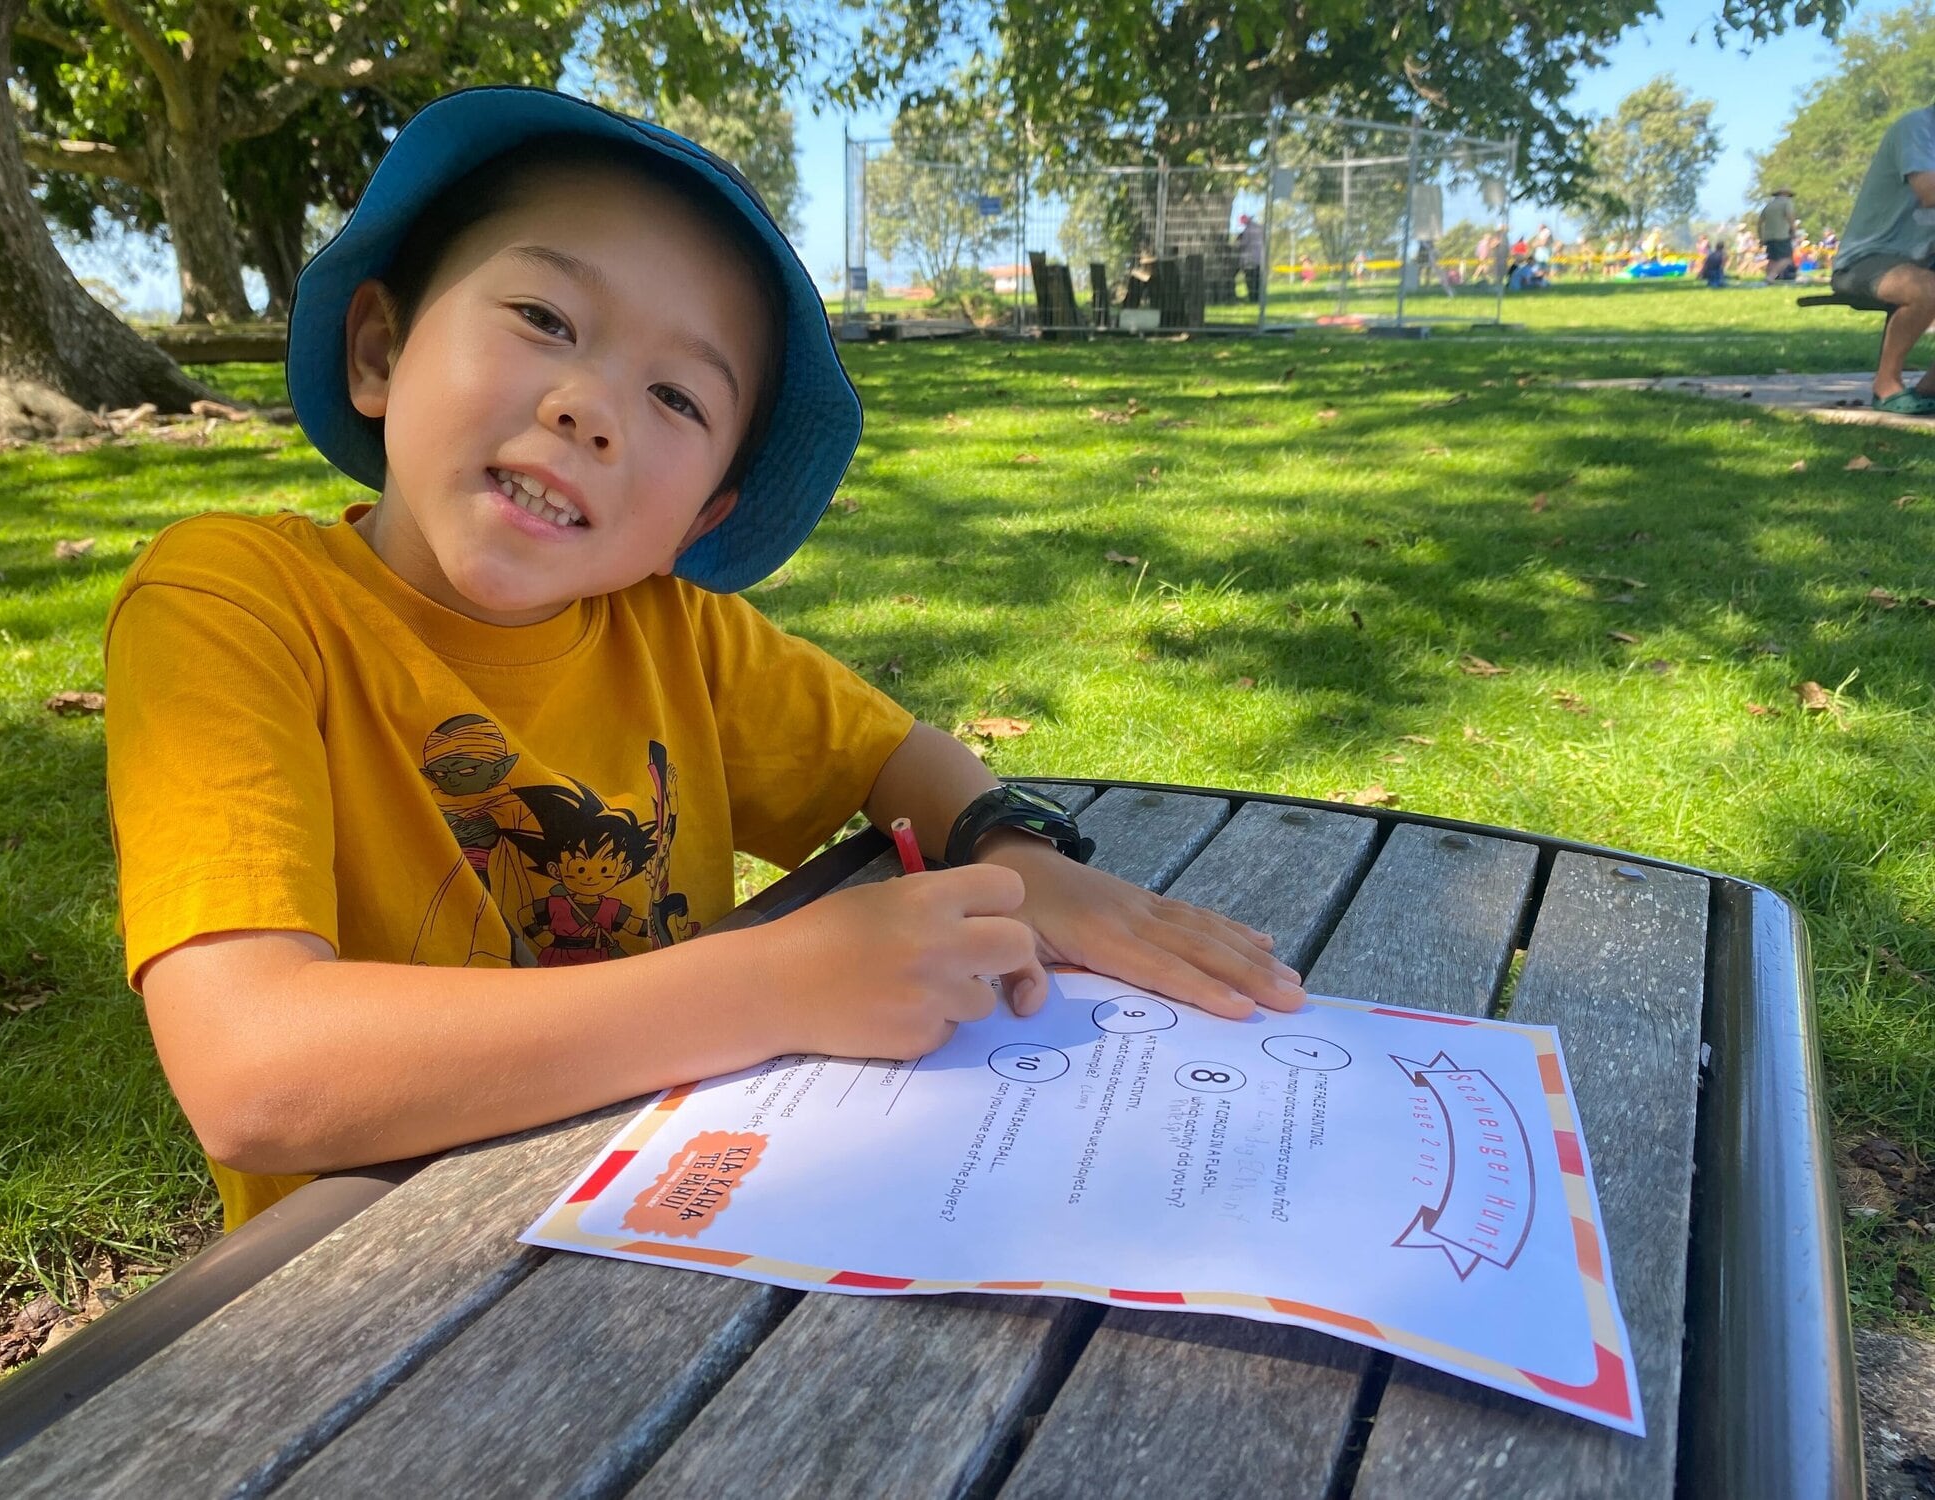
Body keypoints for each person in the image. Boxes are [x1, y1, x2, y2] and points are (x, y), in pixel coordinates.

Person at [103, 87, 1307, 1231]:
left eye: (676, 397)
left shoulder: (676, 630)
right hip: (365, 1297)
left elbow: (894, 758)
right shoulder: (234, 602)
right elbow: (254, 1074)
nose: (591, 406)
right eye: (543, 319)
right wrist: (774, 984)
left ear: (704, 519)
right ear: (379, 350)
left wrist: (1008, 850)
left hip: (684, 1217)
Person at [1832, 105, 1935, 414]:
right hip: (1866, 259)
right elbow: (1928, 191)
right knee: (1927, 288)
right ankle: (1886, 385)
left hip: (1920, 259)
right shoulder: (1917, 128)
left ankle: (1930, 390)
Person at [1759, 189, 1798, 282]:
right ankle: (1771, 276)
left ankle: (1768, 277)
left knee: (1772, 259)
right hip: (1782, 235)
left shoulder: (1769, 205)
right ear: (1785, 194)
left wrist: (1761, 237)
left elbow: (1759, 222)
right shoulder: (1786, 203)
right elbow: (1790, 216)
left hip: (1768, 237)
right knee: (1787, 258)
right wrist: (1793, 230)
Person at [1234, 213, 1265, 302]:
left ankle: (1252, 298)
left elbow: (1243, 244)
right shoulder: (1260, 228)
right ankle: (1258, 297)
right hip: (1260, 258)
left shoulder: (1247, 230)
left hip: (1249, 259)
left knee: (1250, 279)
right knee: (1257, 279)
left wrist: (1238, 241)